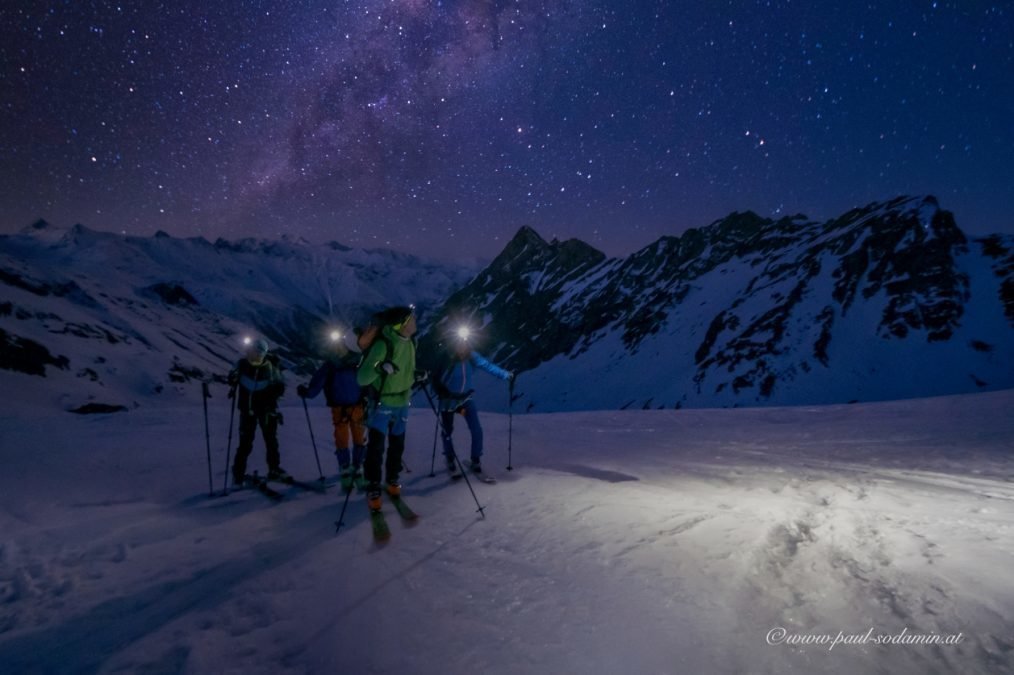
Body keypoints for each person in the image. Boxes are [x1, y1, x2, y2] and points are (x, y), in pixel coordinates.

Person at [356, 306, 425, 510]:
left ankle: (392, 479)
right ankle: (373, 485)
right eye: (411, 319)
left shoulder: (410, 343)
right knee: (376, 448)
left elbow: (405, 371)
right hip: (383, 403)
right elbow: (362, 378)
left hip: (402, 404)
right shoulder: (383, 345)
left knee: (397, 446)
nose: (415, 321)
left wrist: (416, 375)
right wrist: (379, 367)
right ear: (402, 324)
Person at [297, 331, 366, 491]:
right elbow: (366, 382)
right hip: (351, 407)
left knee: (353, 438)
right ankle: (352, 468)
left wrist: (307, 392)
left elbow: (316, 385)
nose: (338, 349)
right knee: (352, 438)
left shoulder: (331, 366)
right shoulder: (355, 362)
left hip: (346, 408)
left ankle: (350, 468)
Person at [435, 335, 513, 476]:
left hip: (465, 399)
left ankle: (475, 459)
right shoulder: (447, 358)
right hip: (448, 400)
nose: (463, 347)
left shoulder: (471, 356)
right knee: (447, 431)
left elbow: (487, 365)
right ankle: (450, 457)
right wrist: (439, 390)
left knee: (476, 429)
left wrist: (505, 375)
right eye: (460, 344)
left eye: (465, 344)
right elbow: (435, 377)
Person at [229, 338, 287, 486]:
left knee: (270, 441)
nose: (255, 356)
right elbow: (231, 378)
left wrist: (275, 393)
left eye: (259, 353)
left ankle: (273, 469)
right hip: (249, 411)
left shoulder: (270, 367)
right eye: (254, 352)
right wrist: (232, 380)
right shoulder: (242, 365)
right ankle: (239, 473)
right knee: (246, 443)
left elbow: (281, 386)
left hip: (265, 410)